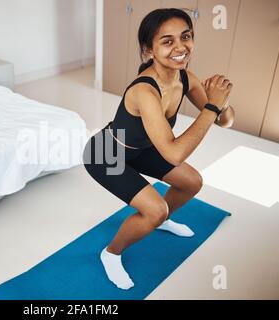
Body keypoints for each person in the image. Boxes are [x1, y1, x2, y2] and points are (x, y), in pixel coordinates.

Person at [82, 8, 234, 290]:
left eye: (186, 37)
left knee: (192, 182)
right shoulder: (144, 91)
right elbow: (174, 153)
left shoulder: (185, 77)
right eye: (167, 41)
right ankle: (111, 253)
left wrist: (220, 101)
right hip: (107, 154)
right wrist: (213, 105)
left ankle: (161, 220)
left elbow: (226, 121)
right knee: (154, 210)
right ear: (148, 49)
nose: (180, 47)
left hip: (142, 148)